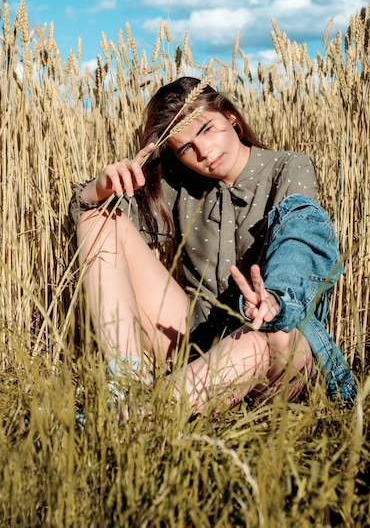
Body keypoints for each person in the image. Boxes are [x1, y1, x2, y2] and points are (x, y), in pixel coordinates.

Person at [69, 76, 356, 414]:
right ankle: (126, 386)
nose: (203, 152)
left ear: (230, 117)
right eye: (186, 148)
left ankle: (137, 417)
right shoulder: (178, 185)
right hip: (195, 340)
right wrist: (100, 189)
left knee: (263, 338)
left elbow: (299, 233)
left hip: (270, 336)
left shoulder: (287, 167)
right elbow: (91, 217)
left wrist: (276, 298)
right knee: (97, 217)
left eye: (207, 129)